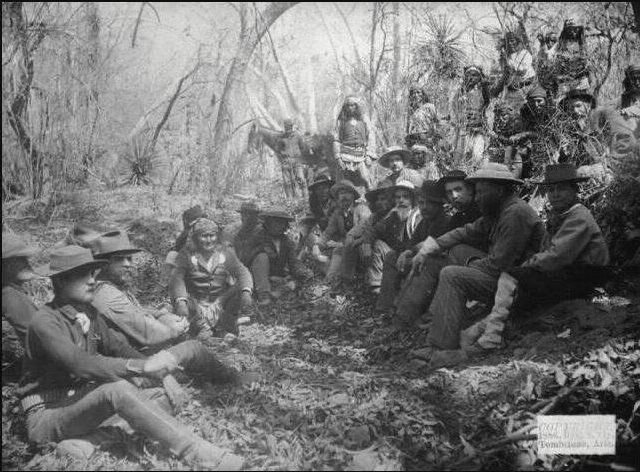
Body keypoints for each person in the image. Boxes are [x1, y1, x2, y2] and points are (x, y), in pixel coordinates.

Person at [17, 245, 244, 469]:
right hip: (48, 414)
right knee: (118, 390)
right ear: (60, 281)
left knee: (160, 392)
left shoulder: (88, 312)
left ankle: (92, 440)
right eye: (82, 275)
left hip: (80, 403)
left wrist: (157, 372)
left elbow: (119, 348)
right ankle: (199, 453)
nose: (92, 280)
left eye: (92, 273)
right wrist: (140, 367)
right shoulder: (44, 322)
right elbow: (81, 364)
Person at [459, 164, 610, 356]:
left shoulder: (579, 216)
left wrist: (526, 267)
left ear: (574, 190)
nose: (555, 194)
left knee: (512, 277)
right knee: (521, 291)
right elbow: (548, 251)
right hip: (570, 272)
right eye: (551, 190)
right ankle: (476, 332)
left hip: (587, 275)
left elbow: (557, 256)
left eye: (561, 189)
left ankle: (490, 337)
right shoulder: (561, 215)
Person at [396, 163, 544, 331]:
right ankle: (408, 319)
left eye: (481, 192)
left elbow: (500, 265)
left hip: (517, 284)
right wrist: (428, 248)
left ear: (500, 190)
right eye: (477, 192)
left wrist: (464, 266)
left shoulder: (514, 214)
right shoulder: (497, 211)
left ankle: (439, 339)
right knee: (444, 258)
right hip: (500, 275)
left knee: (451, 273)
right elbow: (464, 232)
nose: (477, 197)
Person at [91, 231, 190, 349]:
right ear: (103, 264)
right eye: (119, 259)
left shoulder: (113, 287)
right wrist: (176, 328)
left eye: (129, 258)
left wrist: (161, 314)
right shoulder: (106, 294)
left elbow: (137, 311)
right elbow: (148, 331)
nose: (127, 264)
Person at [170, 218, 254, 342]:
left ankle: (225, 327)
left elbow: (242, 271)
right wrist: (181, 301)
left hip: (219, 302)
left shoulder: (225, 253)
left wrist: (247, 291)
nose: (209, 240)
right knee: (182, 297)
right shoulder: (186, 255)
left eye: (212, 236)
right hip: (196, 305)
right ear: (196, 238)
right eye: (204, 236)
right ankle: (201, 328)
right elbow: (177, 278)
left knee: (239, 287)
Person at [377, 181, 449, 316]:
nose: (425, 207)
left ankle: (405, 312)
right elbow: (413, 242)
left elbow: (432, 244)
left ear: (440, 205)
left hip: (435, 266)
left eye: (430, 203)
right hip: (419, 259)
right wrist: (406, 252)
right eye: (421, 203)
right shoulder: (425, 221)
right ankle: (385, 306)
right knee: (392, 256)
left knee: (420, 262)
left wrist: (411, 252)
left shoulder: (444, 220)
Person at [359, 181, 422, 295]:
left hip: (412, 257)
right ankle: (377, 286)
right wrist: (366, 245)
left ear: (412, 199)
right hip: (395, 255)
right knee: (377, 244)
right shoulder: (393, 215)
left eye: (405, 197)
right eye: (398, 197)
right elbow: (373, 230)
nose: (401, 200)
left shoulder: (417, 216)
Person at [244, 211, 313, 305]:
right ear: (268, 223)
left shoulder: (286, 241)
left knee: (295, 281)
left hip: (276, 276)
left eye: (282, 223)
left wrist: (303, 272)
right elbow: (245, 259)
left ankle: (278, 291)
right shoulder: (256, 236)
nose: (280, 226)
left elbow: (294, 262)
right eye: (276, 222)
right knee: (262, 257)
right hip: (255, 277)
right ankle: (264, 296)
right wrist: (262, 250)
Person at [321, 180, 371, 284]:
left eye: (347, 193)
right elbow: (328, 232)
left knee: (339, 250)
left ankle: (344, 280)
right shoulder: (338, 213)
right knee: (327, 254)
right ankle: (332, 279)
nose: (344, 196)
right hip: (346, 247)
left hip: (363, 244)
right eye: (341, 193)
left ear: (353, 196)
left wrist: (344, 241)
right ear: (337, 197)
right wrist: (317, 244)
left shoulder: (361, 208)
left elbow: (364, 224)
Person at [2, 233, 39, 376]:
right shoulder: (9, 296)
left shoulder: (13, 292)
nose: (27, 262)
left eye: (26, 257)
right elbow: (42, 338)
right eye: (18, 259)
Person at [557, 89, 608, 186]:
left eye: (578, 106)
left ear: (588, 105)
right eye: (570, 108)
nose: (575, 111)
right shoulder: (569, 131)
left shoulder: (601, 121)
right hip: (586, 173)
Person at [332, 95, 377, 193]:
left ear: (357, 106)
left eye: (353, 105)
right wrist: (338, 158)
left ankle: (371, 198)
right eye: (348, 105)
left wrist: (369, 155)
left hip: (361, 154)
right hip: (345, 155)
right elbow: (336, 140)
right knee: (345, 183)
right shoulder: (341, 121)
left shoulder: (364, 119)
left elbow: (371, 136)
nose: (350, 108)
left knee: (366, 179)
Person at [451, 65, 491, 169]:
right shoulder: (460, 93)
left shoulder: (482, 91)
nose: (471, 78)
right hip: (464, 131)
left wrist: (485, 85)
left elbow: (487, 100)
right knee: (460, 157)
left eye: (474, 75)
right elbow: (454, 109)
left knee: (477, 156)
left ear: (479, 78)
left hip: (478, 130)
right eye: (468, 75)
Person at [275, 118, 309, 198]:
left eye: (289, 126)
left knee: (301, 180)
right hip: (286, 161)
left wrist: (300, 158)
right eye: (286, 127)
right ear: (284, 127)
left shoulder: (298, 136)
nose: (288, 128)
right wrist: (282, 159)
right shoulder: (281, 138)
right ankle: (290, 201)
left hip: (297, 161)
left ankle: (306, 199)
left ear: (292, 126)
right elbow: (277, 150)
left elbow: (303, 148)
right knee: (287, 182)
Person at [232, 202, 262, 266]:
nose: (243, 217)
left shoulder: (261, 230)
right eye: (243, 214)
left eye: (247, 214)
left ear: (254, 215)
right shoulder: (242, 230)